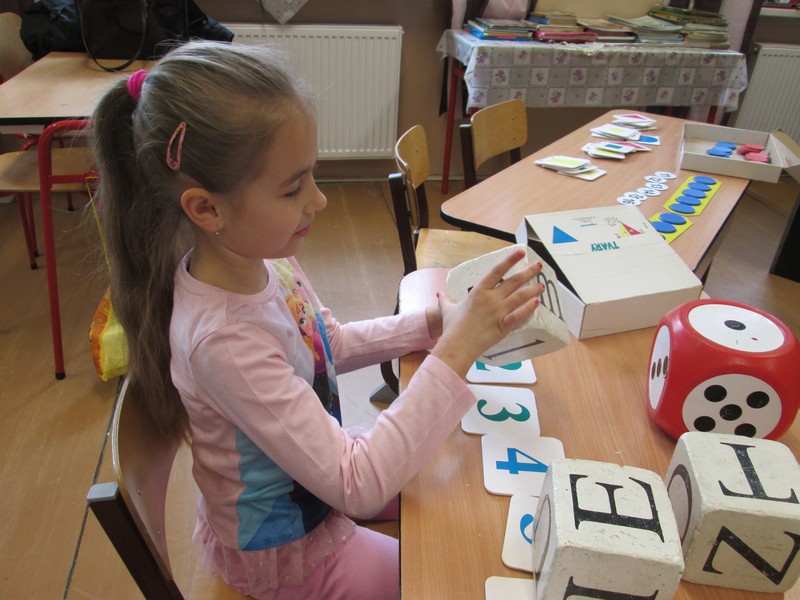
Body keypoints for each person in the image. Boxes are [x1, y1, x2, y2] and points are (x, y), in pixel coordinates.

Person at [92, 40, 544, 600]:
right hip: (287, 546)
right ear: (206, 209)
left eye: (312, 176)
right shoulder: (223, 339)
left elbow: (327, 342)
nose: (319, 200)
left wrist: (432, 323)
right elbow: (358, 484)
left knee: (452, 483)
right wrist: (456, 351)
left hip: (314, 481)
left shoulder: (265, 257)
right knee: (443, 576)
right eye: (293, 188)